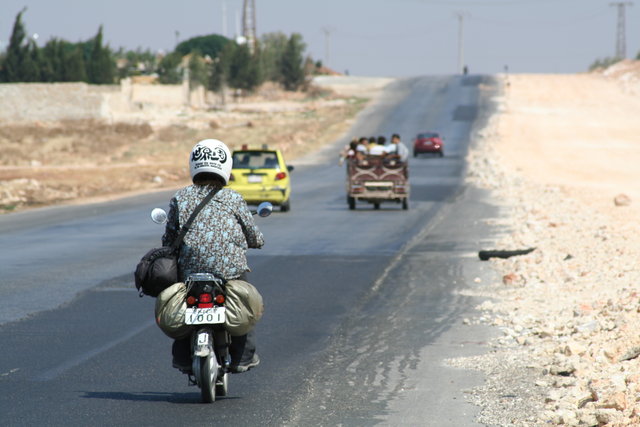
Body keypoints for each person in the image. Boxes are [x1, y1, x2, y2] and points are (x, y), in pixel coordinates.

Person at [162, 138, 264, 374]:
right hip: (229, 272)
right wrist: (256, 242)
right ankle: (242, 358)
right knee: (244, 306)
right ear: (225, 166)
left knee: (182, 310)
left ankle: (182, 358)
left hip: (189, 270)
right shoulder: (234, 198)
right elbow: (254, 236)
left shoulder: (180, 197)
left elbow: (169, 239)